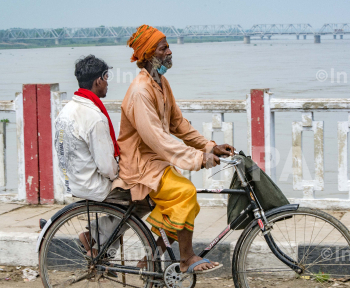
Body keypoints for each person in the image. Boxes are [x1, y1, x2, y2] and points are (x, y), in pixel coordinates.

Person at [112, 24, 235, 273]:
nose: (170, 51)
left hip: (156, 162)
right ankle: (187, 257)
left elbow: (178, 124)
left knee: (185, 201)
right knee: (186, 192)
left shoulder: (161, 83)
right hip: (141, 165)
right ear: (149, 54)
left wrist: (210, 146)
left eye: (168, 47)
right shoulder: (139, 92)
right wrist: (200, 158)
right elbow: (158, 139)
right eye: (164, 47)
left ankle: (151, 259)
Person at [54, 55, 121, 258]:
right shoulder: (94, 117)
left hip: (71, 180)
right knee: (142, 198)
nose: (108, 82)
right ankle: (93, 237)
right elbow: (107, 168)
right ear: (98, 80)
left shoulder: (67, 110)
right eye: (107, 77)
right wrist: (121, 176)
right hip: (93, 185)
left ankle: (96, 243)